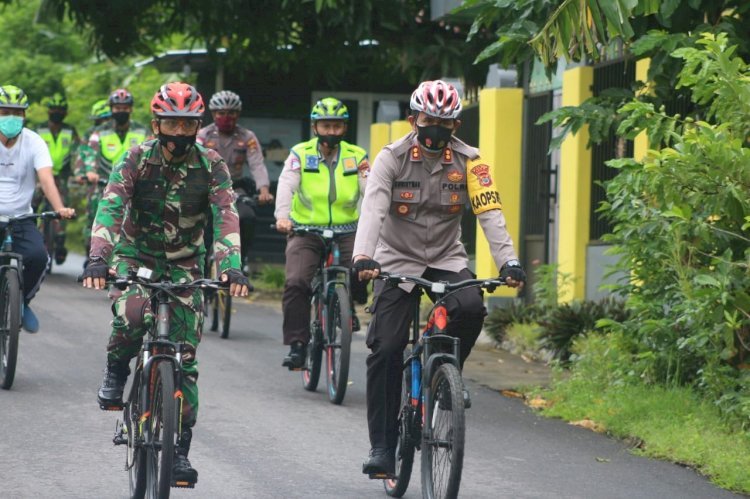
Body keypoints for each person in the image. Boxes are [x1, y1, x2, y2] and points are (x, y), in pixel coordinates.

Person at [352, 80, 527, 476]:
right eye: (428, 120)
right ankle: (382, 446)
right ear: (414, 119)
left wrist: (508, 262)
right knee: (386, 347)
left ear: (456, 125)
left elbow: (489, 214)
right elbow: (375, 208)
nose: (435, 129)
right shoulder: (391, 157)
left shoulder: (472, 161)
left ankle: (446, 372)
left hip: (446, 257)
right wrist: (363, 256)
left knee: (470, 308)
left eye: (444, 122)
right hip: (395, 259)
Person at [81, 82, 249, 486]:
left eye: (187, 124)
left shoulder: (212, 164)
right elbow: (111, 205)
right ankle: (116, 368)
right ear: (156, 124)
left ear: (197, 126)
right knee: (132, 315)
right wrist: (98, 258)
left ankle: (179, 451)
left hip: (184, 265)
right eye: (171, 123)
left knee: (186, 359)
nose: (179, 133)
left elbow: (226, 214)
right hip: (135, 256)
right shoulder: (136, 158)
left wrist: (232, 267)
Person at [274, 97, 369, 369]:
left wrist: (377, 223)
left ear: (345, 128)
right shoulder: (300, 154)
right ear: (315, 127)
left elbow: (372, 191)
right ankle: (297, 345)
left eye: (337, 126)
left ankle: (352, 301)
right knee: (296, 282)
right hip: (306, 230)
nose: (331, 131)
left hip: (348, 228)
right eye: (326, 125)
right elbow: (286, 185)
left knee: (363, 268)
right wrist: (282, 217)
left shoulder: (357, 156)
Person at [0, 85, 75, 332]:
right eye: (5, 111)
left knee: (39, 258)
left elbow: (46, 179)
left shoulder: (34, 141)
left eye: (17, 112)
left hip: (21, 218)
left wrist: (60, 208)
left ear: (25, 115)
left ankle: (23, 301)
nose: (11, 117)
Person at [197, 90, 273, 269]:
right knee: (200, 228)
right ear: (213, 114)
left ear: (237, 114)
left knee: (248, 217)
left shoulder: (247, 137)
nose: (226, 117)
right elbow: (193, 161)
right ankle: (198, 266)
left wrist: (264, 190)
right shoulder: (203, 135)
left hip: (234, 192)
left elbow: (257, 164)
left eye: (231, 113)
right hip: (206, 191)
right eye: (221, 113)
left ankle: (242, 258)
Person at [80, 89, 148, 263]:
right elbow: (90, 152)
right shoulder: (99, 131)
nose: (121, 111)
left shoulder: (142, 130)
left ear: (131, 109)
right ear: (111, 109)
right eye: (117, 108)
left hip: (134, 184)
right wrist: (90, 171)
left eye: (125, 107)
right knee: (97, 211)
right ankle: (95, 254)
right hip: (105, 182)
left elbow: (150, 152)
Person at [34, 93, 80, 265]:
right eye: (54, 109)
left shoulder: (70, 131)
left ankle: (60, 241)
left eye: (61, 110)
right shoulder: (39, 129)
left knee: (62, 206)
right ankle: (28, 230)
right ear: (48, 111)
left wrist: (79, 171)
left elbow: (78, 152)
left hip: (62, 175)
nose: (57, 112)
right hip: (39, 174)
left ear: (65, 113)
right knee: (33, 202)